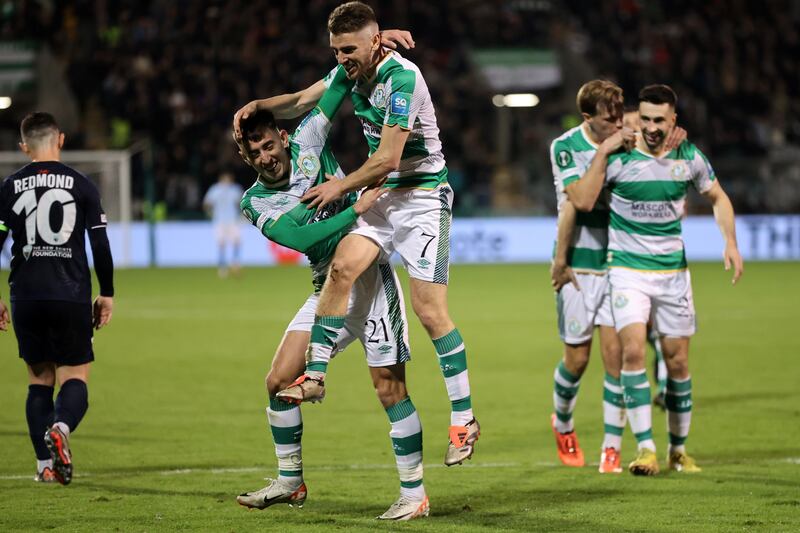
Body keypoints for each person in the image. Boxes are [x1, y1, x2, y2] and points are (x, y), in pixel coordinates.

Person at [233, 1, 479, 467]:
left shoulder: (401, 80)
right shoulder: (350, 71)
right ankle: (317, 375)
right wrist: (260, 105)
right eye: (336, 50)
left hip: (423, 195)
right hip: (383, 197)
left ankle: (464, 420)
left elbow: (387, 159)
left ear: (375, 40)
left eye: (349, 49)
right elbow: (306, 98)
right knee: (342, 266)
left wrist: (340, 188)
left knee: (429, 310)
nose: (341, 58)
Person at [234, 66, 428, 521]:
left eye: (268, 144)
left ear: (282, 138)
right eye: (254, 152)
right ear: (246, 158)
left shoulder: (308, 141)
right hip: (327, 287)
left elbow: (341, 81)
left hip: (370, 277)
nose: (265, 156)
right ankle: (290, 480)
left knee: (389, 388)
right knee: (278, 380)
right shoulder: (254, 202)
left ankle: (414, 493)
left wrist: (377, 46)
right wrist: (356, 208)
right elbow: (302, 241)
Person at [601, 84, 743, 475]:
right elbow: (581, 199)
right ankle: (645, 448)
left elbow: (719, 198)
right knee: (632, 352)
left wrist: (730, 243)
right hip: (627, 271)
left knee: (678, 361)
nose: (650, 126)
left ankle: (677, 451)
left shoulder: (689, 157)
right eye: (644, 118)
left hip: (673, 275)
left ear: (673, 121)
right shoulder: (619, 157)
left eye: (658, 120)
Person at [0, 112, 114, 485]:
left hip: (26, 296)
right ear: (60, 139)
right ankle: (61, 428)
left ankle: (43, 466)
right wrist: (107, 293)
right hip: (71, 294)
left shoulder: (9, 186)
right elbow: (99, 243)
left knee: (38, 381)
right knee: (75, 376)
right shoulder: (82, 185)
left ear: (23, 147)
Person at [549, 80, 635, 474]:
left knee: (616, 359)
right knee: (577, 360)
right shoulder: (566, 146)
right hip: (578, 266)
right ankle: (563, 421)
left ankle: (611, 449)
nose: (618, 122)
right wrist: (604, 151)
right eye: (608, 118)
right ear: (588, 118)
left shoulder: (627, 138)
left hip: (620, 264)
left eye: (621, 113)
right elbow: (580, 200)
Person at [203, 171, 244, 277]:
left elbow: (242, 203)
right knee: (221, 244)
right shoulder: (215, 189)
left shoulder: (234, 189)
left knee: (236, 243)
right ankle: (222, 267)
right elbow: (207, 203)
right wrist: (210, 213)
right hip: (220, 221)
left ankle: (235, 264)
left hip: (232, 220)